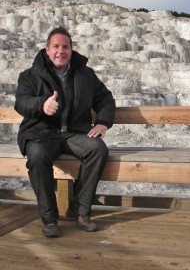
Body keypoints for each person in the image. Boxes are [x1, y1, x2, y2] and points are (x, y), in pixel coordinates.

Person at [14, 26, 116, 238]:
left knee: (97, 149)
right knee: (37, 154)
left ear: (71, 50)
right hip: (41, 132)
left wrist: (104, 121)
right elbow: (21, 102)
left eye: (66, 47)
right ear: (47, 50)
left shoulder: (85, 74)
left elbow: (105, 99)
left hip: (74, 133)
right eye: (56, 46)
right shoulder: (30, 76)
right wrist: (42, 104)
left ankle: (79, 211)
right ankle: (49, 218)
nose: (61, 51)